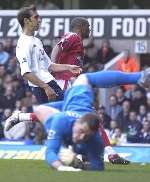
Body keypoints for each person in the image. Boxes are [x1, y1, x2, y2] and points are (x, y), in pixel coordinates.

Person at [4, 68, 150, 171]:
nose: (81, 136)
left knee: (46, 111)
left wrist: (76, 165)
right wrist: (110, 151)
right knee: (83, 79)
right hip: (74, 100)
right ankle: (138, 77)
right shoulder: (79, 126)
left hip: (70, 105)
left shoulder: (76, 128)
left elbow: (96, 165)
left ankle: (20, 116)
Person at [16, 5, 81, 104]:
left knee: (62, 113)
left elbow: (50, 66)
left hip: (50, 83)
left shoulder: (36, 41)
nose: (40, 20)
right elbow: (26, 73)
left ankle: (23, 117)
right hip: (43, 87)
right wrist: (46, 87)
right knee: (67, 111)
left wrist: (68, 67)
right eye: (36, 17)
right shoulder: (23, 44)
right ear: (26, 21)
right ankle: (22, 117)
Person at [51, 17, 90, 90]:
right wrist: (53, 66)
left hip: (70, 80)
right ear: (80, 27)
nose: (89, 29)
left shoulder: (78, 41)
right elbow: (57, 48)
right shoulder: (73, 36)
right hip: (65, 81)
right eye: (88, 26)